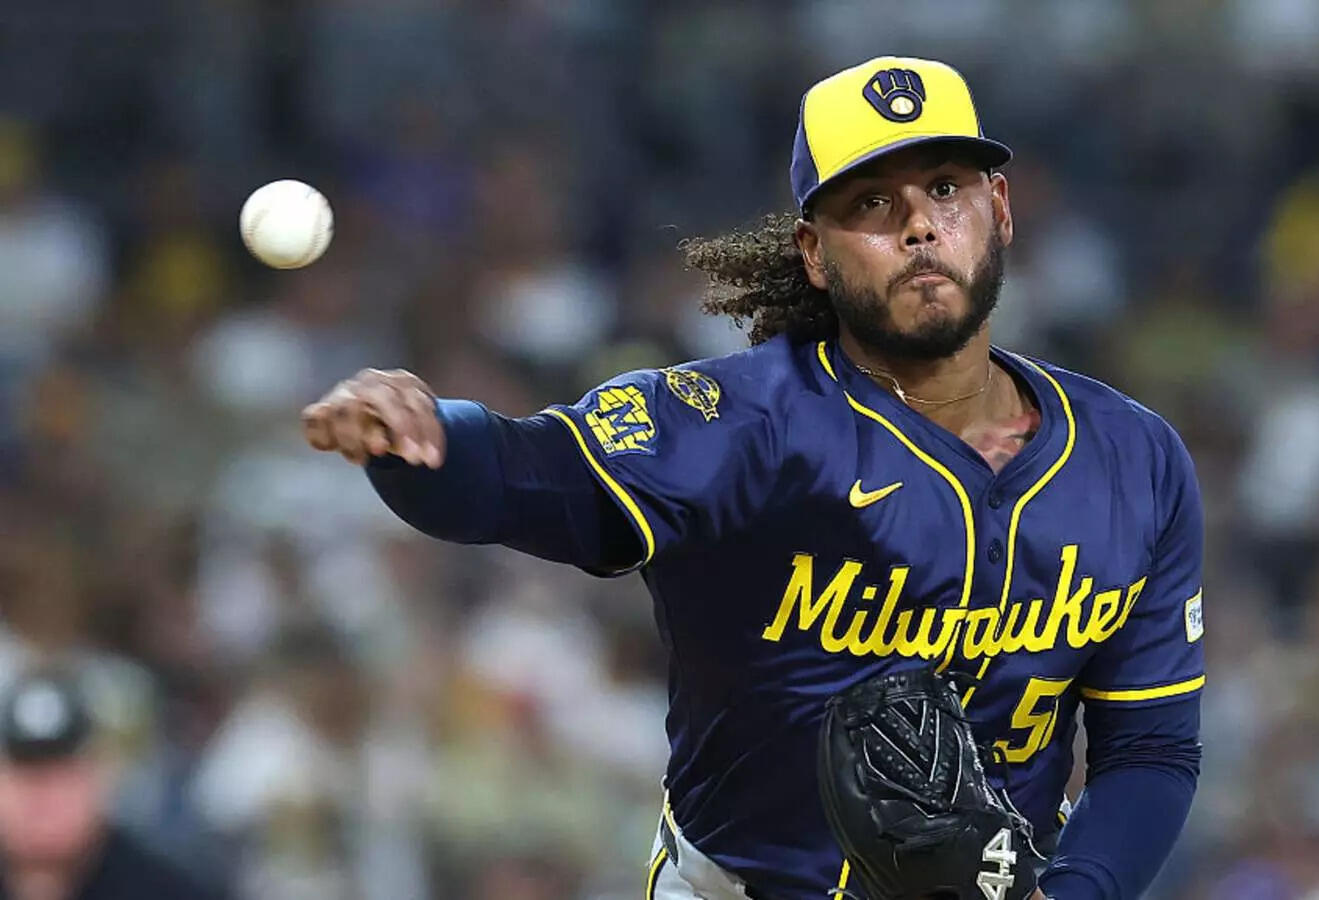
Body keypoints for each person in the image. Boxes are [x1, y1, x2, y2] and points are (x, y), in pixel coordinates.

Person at [303, 56, 1204, 900]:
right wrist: (419, 435)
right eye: (872, 204)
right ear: (814, 252)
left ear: (999, 209)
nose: (921, 224)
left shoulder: (1137, 460)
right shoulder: (743, 425)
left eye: (944, 189)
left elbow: (1150, 748)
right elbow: (518, 473)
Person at [0, 666, 226, 900]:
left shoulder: (171, 889)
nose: (42, 800)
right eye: (27, 777)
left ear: (102, 779)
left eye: (62, 777)